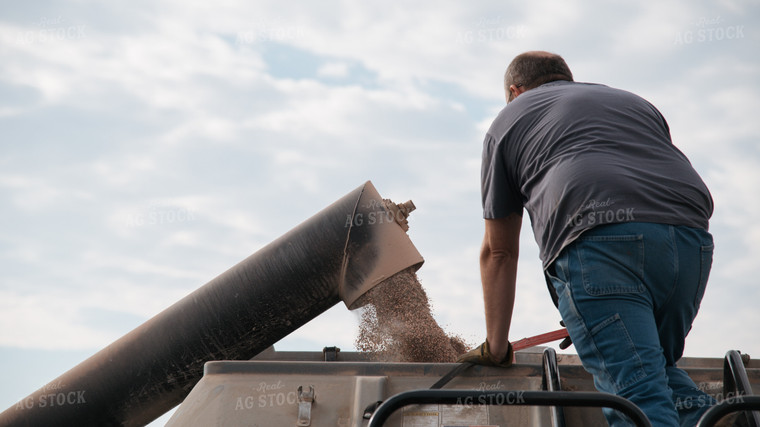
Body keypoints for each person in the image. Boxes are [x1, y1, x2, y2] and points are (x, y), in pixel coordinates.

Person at [458, 51, 716, 426]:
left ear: (515, 92)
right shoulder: (634, 103)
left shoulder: (508, 120)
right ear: (566, 78)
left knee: (638, 397)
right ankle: (717, 419)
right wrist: (593, 320)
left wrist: (496, 348)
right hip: (690, 240)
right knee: (651, 370)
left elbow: (499, 251)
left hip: (599, 242)